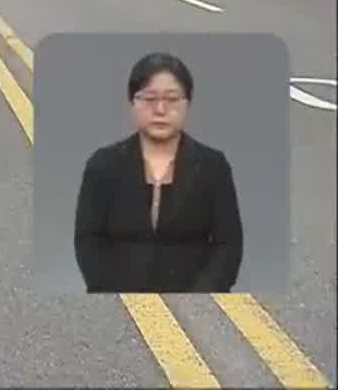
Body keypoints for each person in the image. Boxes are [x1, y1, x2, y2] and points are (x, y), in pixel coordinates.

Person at [74, 53, 242, 293]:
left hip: (197, 299)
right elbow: (88, 240)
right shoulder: (103, 165)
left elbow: (229, 244)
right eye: (150, 99)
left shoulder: (212, 166)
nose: (161, 110)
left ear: (188, 104)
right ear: (133, 103)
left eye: (172, 99)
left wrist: (203, 296)